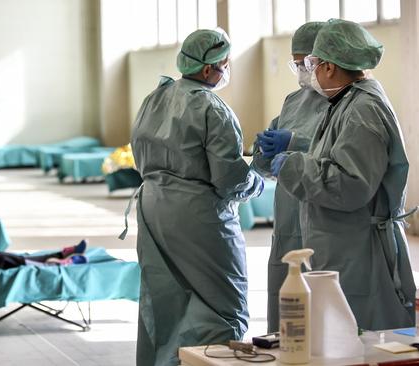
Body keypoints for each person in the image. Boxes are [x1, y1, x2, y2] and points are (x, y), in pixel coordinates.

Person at [271, 18, 416, 330]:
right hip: (344, 245)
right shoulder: (347, 102)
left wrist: (294, 165)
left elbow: (351, 185)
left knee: (360, 340)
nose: (308, 72)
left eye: (312, 63)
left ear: (330, 67)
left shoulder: (363, 109)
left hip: (359, 252)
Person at [130, 29, 263, 366]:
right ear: (208, 70)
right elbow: (229, 178)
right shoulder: (211, 108)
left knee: (166, 298)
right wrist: (259, 179)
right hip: (197, 215)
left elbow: (139, 152)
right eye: (224, 64)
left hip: (153, 207)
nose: (226, 70)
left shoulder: (155, 98)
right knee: (223, 301)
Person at [252, 21, 328, 333]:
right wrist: (263, 151)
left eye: (306, 62)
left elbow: (337, 152)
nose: (301, 69)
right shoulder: (293, 101)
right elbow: (268, 165)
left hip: (324, 213)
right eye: (296, 63)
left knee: (321, 300)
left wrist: (294, 142)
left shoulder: (345, 101)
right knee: (285, 302)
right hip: (287, 214)